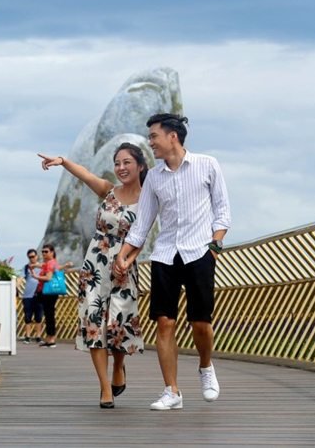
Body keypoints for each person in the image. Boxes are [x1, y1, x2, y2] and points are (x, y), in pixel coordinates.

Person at [114, 113, 231, 411]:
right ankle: (172, 391)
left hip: (199, 252)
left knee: (200, 322)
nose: (150, 142)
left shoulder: (208, 165)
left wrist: (215, 245)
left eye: (154, 136)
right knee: (164, 322)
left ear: (172, 137)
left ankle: (206, 367)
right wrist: (124, 254)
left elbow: (222, 211)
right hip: (165, 255)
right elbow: (143, 224)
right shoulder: (153, 176)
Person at [39, 143, 147, 408]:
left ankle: (118, 367)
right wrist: (63, 161)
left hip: (124, 266)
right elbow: (85, 174)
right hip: (95, 266)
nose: (121, 168)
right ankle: (104, 388)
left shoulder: (148, 199)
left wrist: (128, 260)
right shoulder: (109, 191)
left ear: (141, 166)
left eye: (126, 163)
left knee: (118, 325)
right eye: (117, 163)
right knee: (95, 322)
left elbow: (141, 237)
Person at [28, 244, 60, 348]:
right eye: (43, 252)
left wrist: (36, 276)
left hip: (48, 292)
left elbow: (48, 278)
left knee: (49, 315)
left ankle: (51, 339)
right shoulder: (50, 263)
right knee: (48, 314)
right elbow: (43, 266)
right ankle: (49, 338)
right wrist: (36, 266)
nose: (44, 253)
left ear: (52, 252)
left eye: (46, 251)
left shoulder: (50, 263)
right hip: (48, 292)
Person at [20, 249, 44, 343]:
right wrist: (16, 285)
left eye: (33, 256)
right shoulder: (26, 268)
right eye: (30, 257)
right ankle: (28, 336)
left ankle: (38, 336)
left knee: (39, 317)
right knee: (27, 317)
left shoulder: (42, 266)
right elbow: (21, 278)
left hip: (39, 295)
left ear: (37, 256)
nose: (32, 258)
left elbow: (50, 271)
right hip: (28, 295)